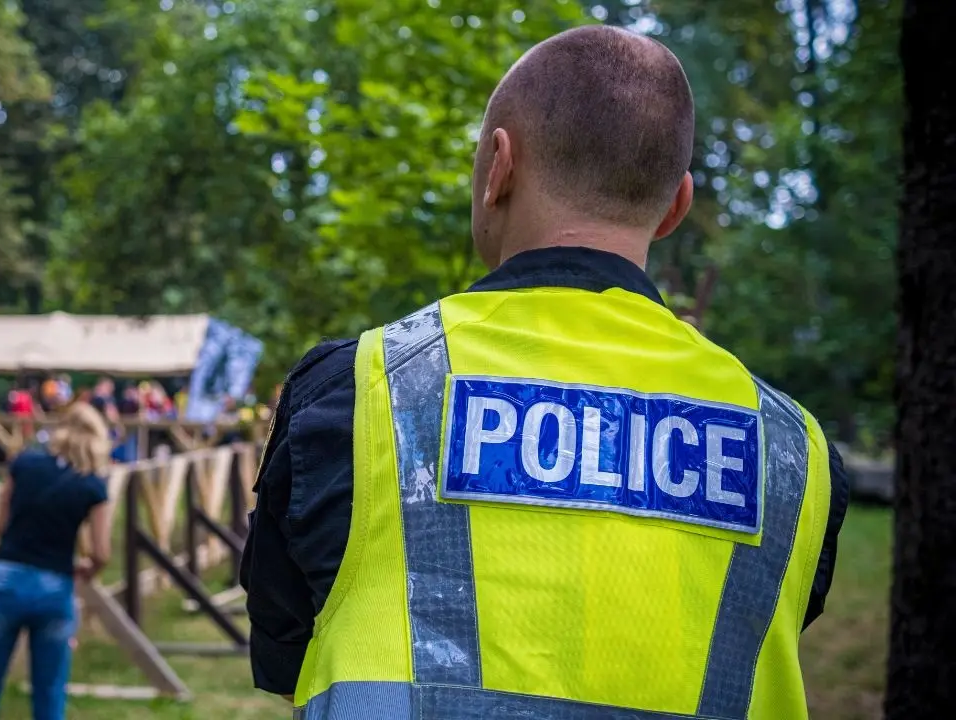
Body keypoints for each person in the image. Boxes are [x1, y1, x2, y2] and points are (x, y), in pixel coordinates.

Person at [241, 25, 849, 719]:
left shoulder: (358, 391)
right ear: (676, 206)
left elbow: (290, 654)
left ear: (499, 166)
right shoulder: (792, 450)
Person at [0, 402, 112, 720]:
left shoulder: (24, 463)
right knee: (49, 695)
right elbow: (101, 552)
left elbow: (1, 525)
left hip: (7, 575)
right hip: (55, 583)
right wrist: (87, 569)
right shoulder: (92, 485)